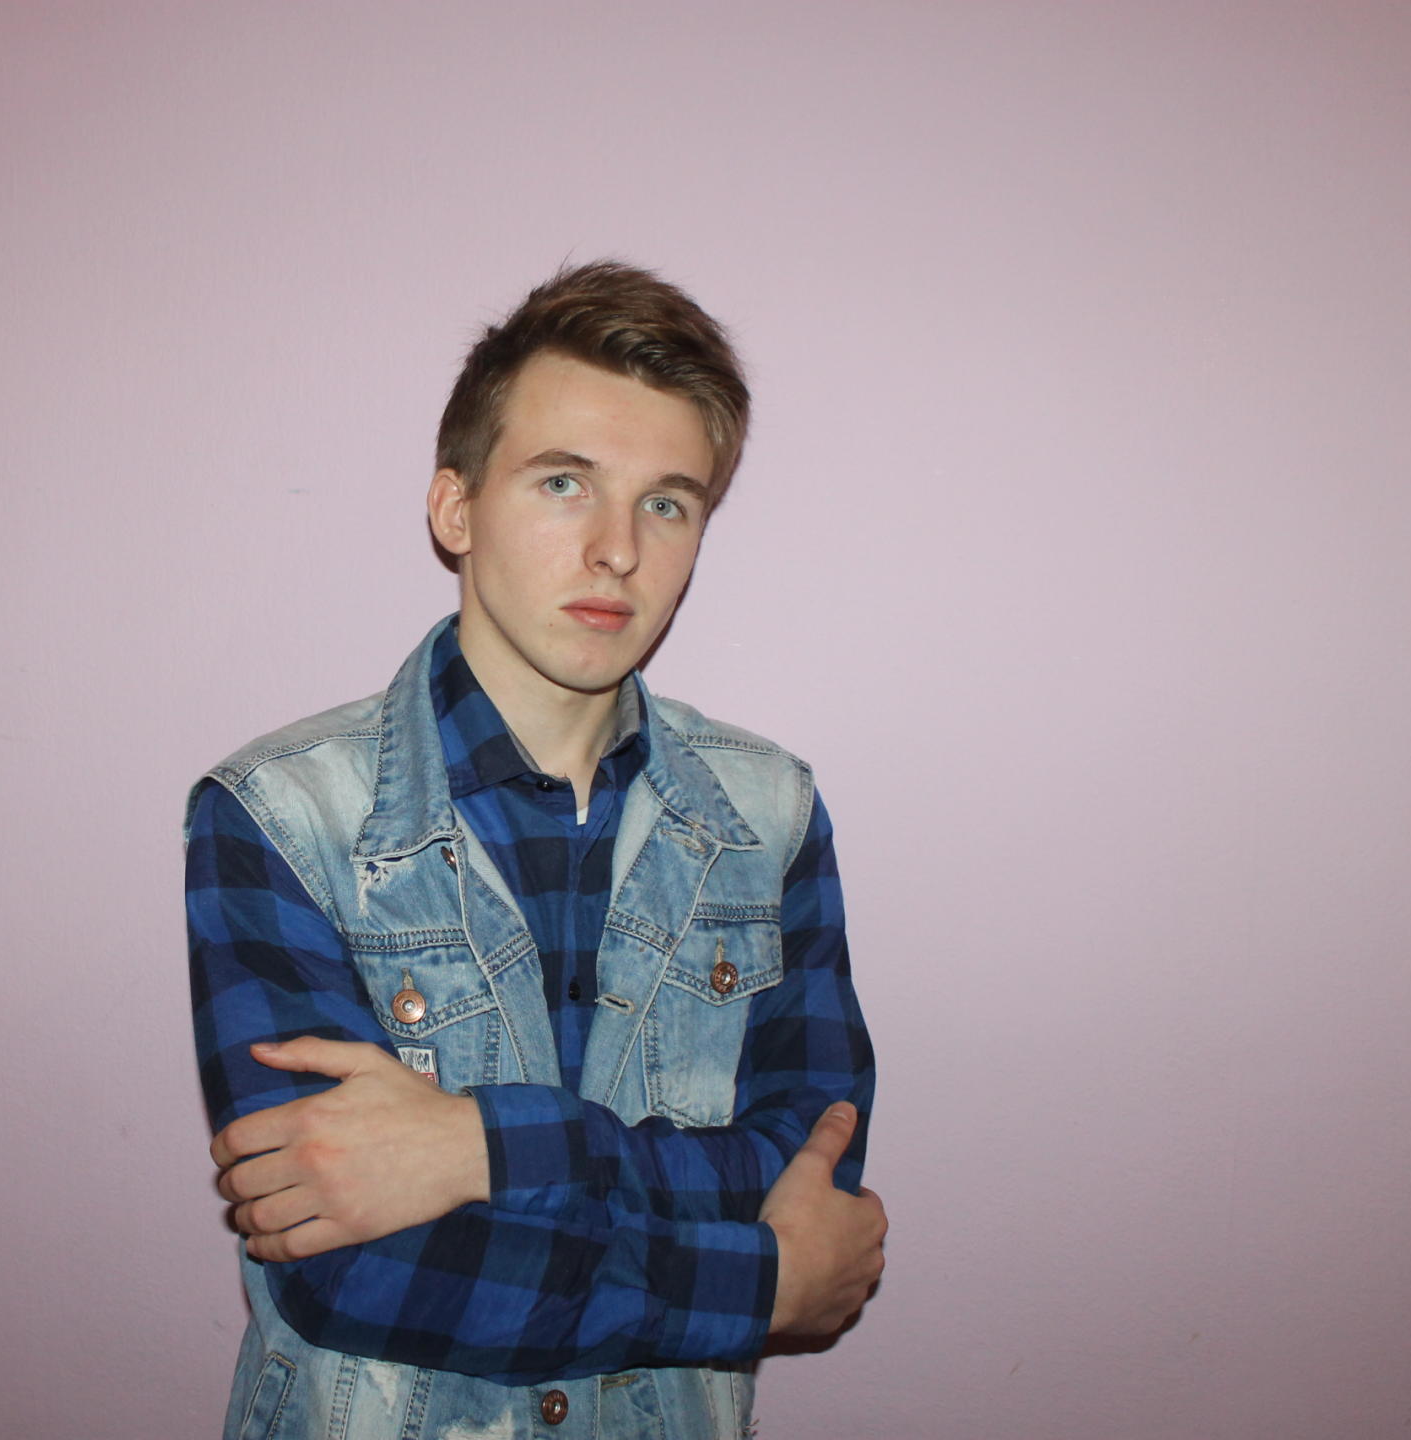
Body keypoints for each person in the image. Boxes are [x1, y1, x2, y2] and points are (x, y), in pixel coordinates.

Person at [186, 261, 886, 1439]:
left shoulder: (769, 813)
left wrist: (482, 1148)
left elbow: (807, 1170)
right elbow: (349, 1269)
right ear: (455, 509)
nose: (618, 550)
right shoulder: (280, 813)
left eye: (668, 503)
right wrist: (758, 1285)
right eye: (565, 483)